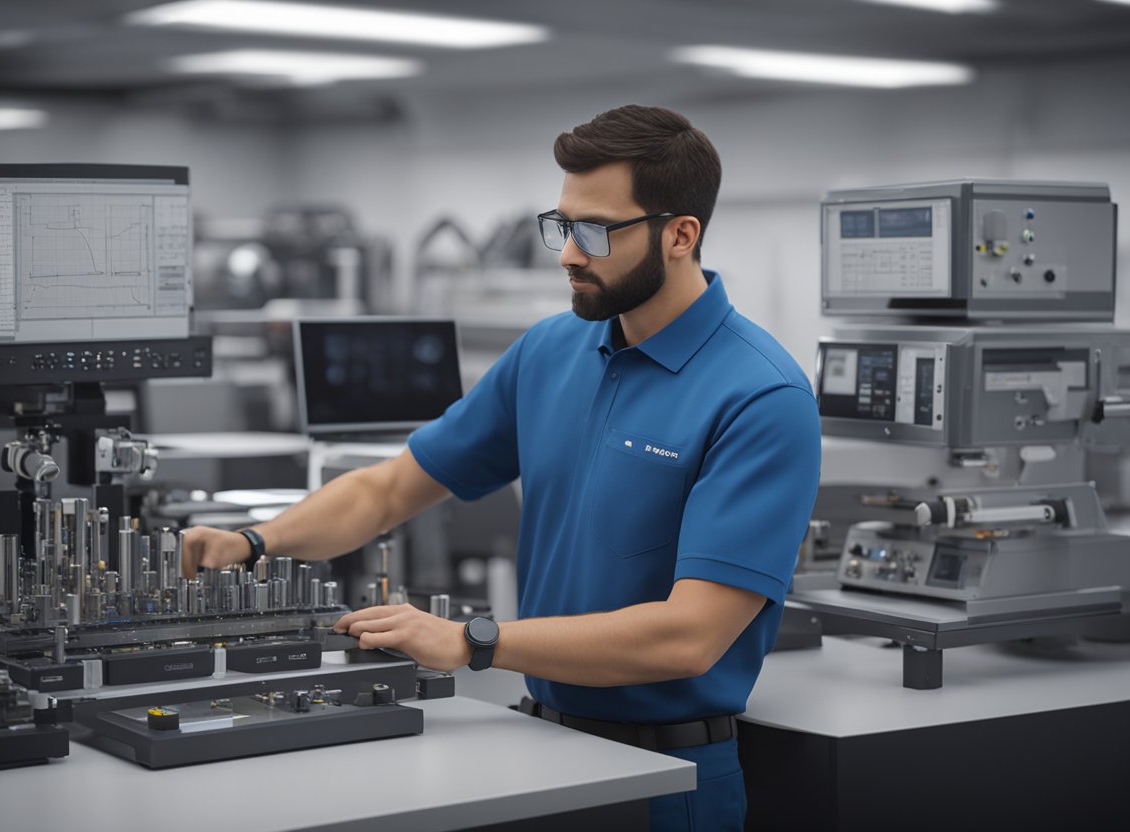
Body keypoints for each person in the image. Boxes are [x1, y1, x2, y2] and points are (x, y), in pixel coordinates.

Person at [182, 104, 820, 832]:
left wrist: (473, 641)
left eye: (595, 232)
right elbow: (390, 489)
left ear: (681, 235)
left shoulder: (761, 396)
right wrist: (256, 541)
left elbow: (689, 635)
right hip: (538, 741)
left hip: (666, 778)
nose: (568, 255)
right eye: (562, 225)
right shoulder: (552, 351)